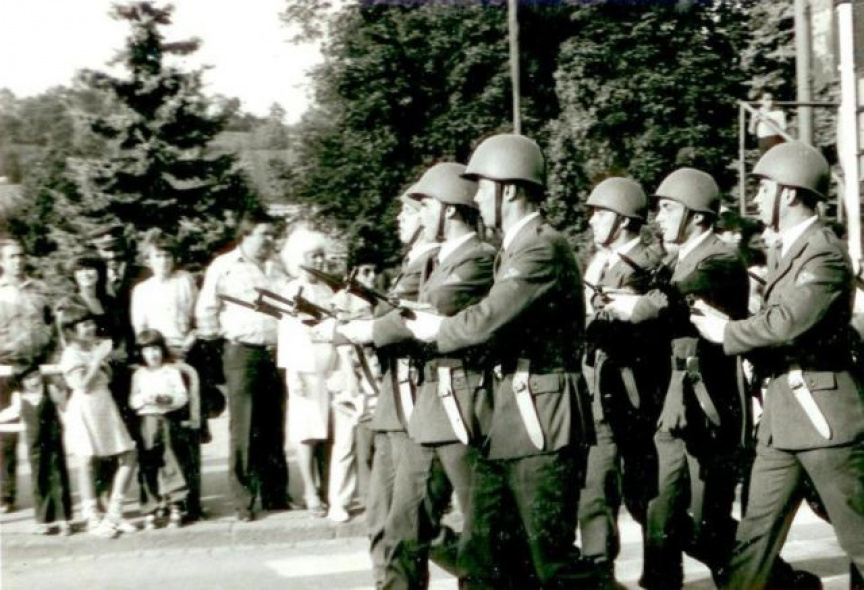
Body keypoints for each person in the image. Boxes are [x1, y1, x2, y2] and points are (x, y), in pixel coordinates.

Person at [406, 134, 595, 588]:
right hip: (512, 417)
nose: (474, 197)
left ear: (508, 190)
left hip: (543, 418)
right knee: (484, 556)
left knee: (552, 562)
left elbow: (489, 319)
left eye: (481, 187)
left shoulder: (540, 247)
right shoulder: (517, 248)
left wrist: (437, 330)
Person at [691, 141, 864, 589]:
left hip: (823, 418)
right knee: (753, 542)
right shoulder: (791, 250)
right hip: (782, 421)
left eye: (764, 188)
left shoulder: (824, 252)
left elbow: (788, 324)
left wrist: (727, 332)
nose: (756, 199)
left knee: (860, 537)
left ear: (788, 193)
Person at [339, 162, 495, 588]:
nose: (419, 215)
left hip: (465, 409)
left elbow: (428, 311)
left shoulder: (479, 258)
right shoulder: (438, 260)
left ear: (449, 209)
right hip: (430, 409)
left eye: (425, 206)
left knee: (483, 540)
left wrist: (364, 330)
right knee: (402, 531)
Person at [602, 167, 750, 588]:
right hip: (672, 405)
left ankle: (780, 581)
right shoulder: (673, 260)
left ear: (697, 216)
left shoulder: (721, 259)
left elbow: (677, 295)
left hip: (710, 408)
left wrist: (637, 307)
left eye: (668, 208)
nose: (659, 218)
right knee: (659, 512)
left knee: (706, 524)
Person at [347, 186, 440, 587]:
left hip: (413, 403)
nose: (399, 219)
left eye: (409, 211)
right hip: (393, 402)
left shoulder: (435, 262)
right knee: (381, 518)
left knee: (406, 522)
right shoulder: (410, 263)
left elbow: (406, 322)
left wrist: (356, 329)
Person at [578, 177, 668, 585]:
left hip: (634, 393)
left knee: (642, 493)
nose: (592, 221)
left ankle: (660, 574)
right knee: (595, 489)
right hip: (599, 391)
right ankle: (599, 575)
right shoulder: (599, 261)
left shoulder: (647, 264)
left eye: (600, 213)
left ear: (623, 219)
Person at [195, 210, 290, 521]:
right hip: (242, 353)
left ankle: (275, 495)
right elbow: (206, 311)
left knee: (274, 425)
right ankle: (244, 500)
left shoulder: (277, 266)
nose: (270, 240)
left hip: (276, 353)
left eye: (273, 235)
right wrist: (222, 348)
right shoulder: (224, 266)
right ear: (245, 235)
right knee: (244, 427)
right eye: (264, 234)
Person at [278, 227, 358, 523]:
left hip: (330, 368)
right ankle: (310, 492)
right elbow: (287, 334)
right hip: (305, 369)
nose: (321, 261)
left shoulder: (326, 289)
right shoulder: (291, 290)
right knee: (307, 432)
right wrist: (292, 373)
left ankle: (329, 490)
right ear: (299, 259)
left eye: (322, 255)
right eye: (314, 256)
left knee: (330, 431)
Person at [131, 230, 204, 520]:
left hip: (183, 355)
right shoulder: (142, 290)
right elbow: (140, 330)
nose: (163, 261)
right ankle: (162, 500)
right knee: (158, 439)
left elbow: (198, 318)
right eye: (157, 256)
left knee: (188, 432)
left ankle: (190, 502)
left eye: (167, 255)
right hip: (156, 360)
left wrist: (187, 343)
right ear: (148, 260)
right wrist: (156, 353)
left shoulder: (185, 281)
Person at [58, 303, 138, 538]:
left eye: (91, 323)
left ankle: (114, 512)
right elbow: (81, 385)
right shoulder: (70, 354)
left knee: (128, 453)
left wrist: (100, 360)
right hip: (85, 408)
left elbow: (106, 378)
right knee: (86, 460)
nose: (91, 328)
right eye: (84, 325)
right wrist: (96, 361)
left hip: (104, 405)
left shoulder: (93, 349)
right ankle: (91, 516)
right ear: (71, 331)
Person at [0, 237, 53, 514]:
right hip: (4, 368)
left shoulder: (39, 289)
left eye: (21, 255)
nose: (18, 260)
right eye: (11, 256)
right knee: (5, 435)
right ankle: (4, 494)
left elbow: (51, 325)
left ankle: (44, 495)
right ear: (1, 261)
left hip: (34, 367)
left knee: (39, 434)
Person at [0, 364, 72, 535]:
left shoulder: (49, 390)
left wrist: (63, 392)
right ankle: (42, 521)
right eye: (27, 378)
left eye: (35, 376)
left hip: (53, 441)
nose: (33, 381)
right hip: (34, 445)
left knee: (58, 477)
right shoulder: (19, 397)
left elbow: (63, 408)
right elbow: (12, 412)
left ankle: (63, 520)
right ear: (21, 382)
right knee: (38, 479)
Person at [130, 329, 190, 530]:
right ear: (141, 353)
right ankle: (150, 507)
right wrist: (144, 399)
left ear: (162, 349)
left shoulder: (171, 371)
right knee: (148, 463)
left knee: (170, 461)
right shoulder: (139, 374)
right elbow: (133, 400)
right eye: (147, 350)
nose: (152, 354)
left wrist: (169, 399)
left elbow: (182, 396)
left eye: (155, 349)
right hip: (147, 420)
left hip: (167, 419)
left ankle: (176, 505)